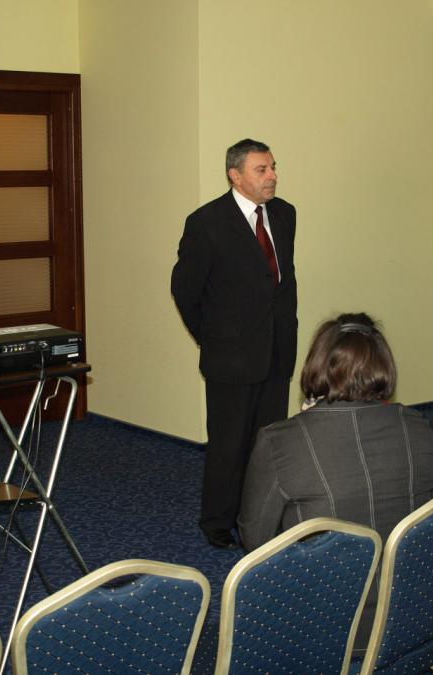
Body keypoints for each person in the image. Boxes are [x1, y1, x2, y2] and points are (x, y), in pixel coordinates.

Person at [238, 312, 433, 649]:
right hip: (417, 615)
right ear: (384, 366)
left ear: (316, 366)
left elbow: (256, 540)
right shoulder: (421, 427)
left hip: (327, 626)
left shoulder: (280, 441)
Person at [171, 139, 298, 549]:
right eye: (262, 169)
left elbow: (281, 282)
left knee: (268, 443)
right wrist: (212, 339)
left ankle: (261, 515)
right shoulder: (207, 222)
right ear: (235, 175)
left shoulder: (285, 214)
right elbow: (185, 290)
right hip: (231, 356)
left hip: (277, 349)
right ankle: (218, 521)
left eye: (273, 167)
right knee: (228, 444)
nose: (272, 176)